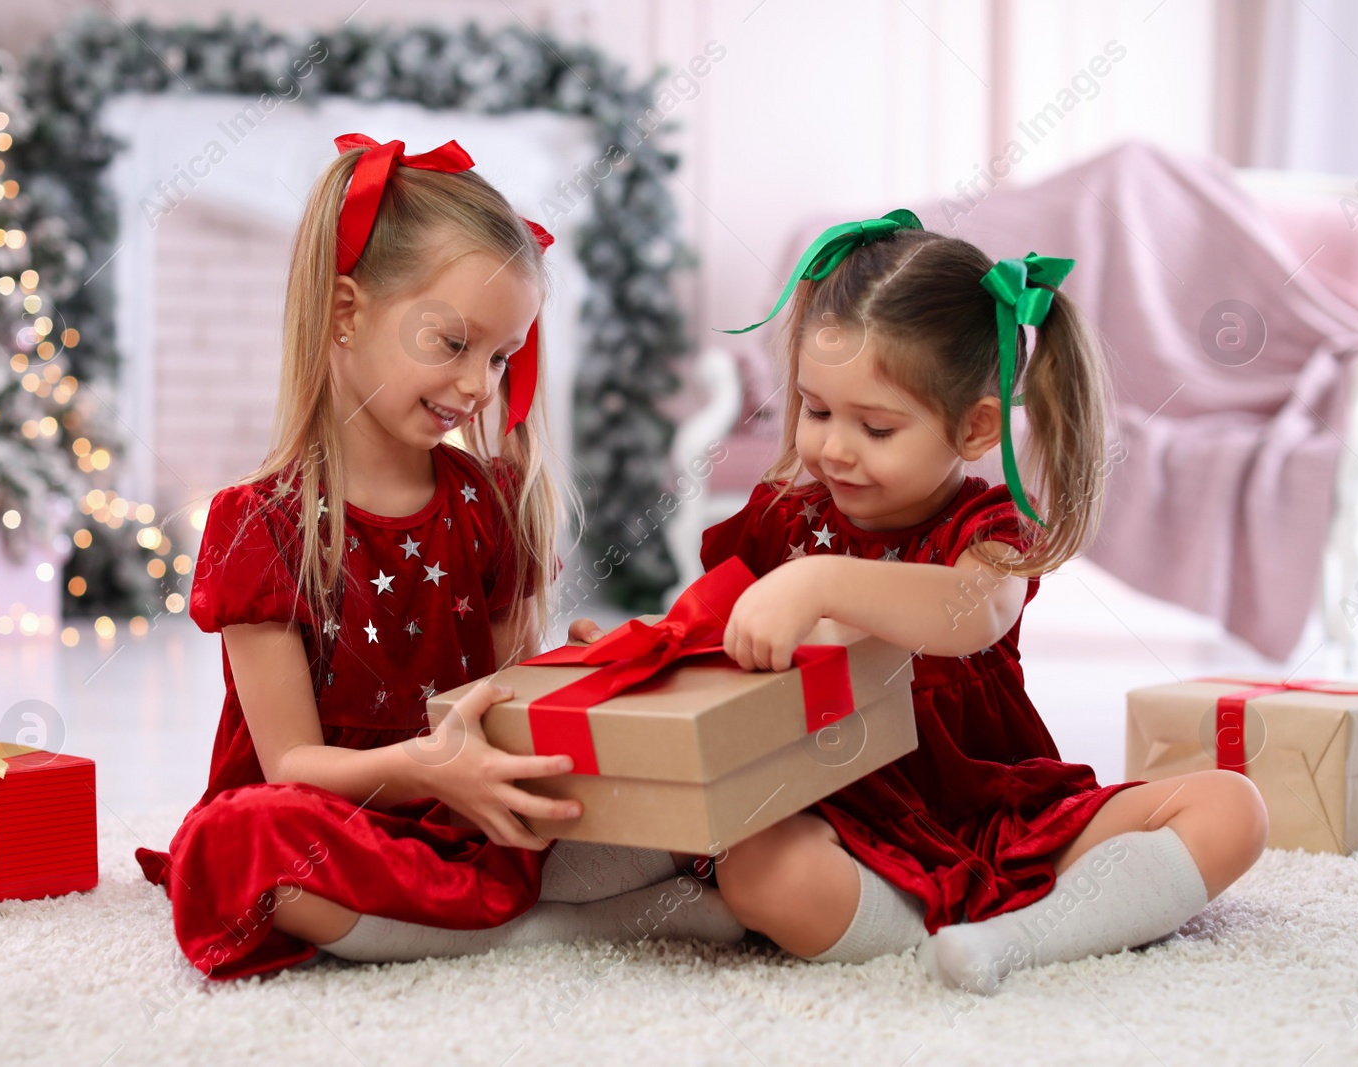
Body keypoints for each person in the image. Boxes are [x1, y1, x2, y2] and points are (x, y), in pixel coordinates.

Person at [580, 209, 1268, 993]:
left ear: (975, 429)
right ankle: (906, 931)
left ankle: (1022, 939)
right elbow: (711, 634)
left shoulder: (987, 532)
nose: (833, 446)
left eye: (875, 426)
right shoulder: (781, 518)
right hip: (843, 819)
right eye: (817, 409)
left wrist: (820, 582)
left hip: (997, 813)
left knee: (1232, 807)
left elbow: (968, 612)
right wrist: (631, 654)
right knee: (757, 863)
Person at [135, 134, 741, 980]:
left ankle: (492, 907)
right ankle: (543, 928)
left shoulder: (488, 501)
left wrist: (588, 679)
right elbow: (293, 767)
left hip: (475, 816)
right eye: (451, 343)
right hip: (341, 813)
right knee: (235, 842)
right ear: (346, 312)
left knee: (697, 801)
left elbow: (506, 705)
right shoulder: (260, 523)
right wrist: (424, 770)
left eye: (499, 356)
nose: (477, 385)